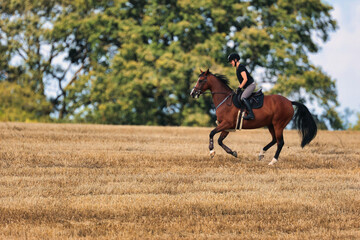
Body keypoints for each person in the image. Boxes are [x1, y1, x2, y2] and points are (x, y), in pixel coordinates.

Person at [228, 53, 256, 120]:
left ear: (235, 60)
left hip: (250, 85)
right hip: (247, 86)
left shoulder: (241, 67)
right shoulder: (238, 68)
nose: (231, 63)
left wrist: (239, 88)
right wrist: (238, 88)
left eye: (231, 61)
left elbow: (245, 79)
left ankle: (251, 114)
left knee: (243, 97)